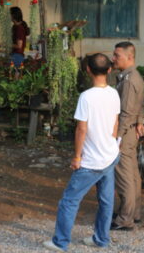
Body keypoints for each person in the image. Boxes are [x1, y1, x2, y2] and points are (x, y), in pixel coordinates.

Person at [43, 53, 120, 251]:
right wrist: (109, 141)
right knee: (106, 199)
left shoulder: (86, 97)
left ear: (87, 70)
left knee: (69, 200)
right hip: (110, 154)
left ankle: (60, 242)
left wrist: (77, 157)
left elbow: (81, 129)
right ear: (109, 70)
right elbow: (115, 122)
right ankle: (101, 239)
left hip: (92, 160)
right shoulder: (114, 93)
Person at [111, 42, 144, 231]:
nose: (113, 58)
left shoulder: (130, 80)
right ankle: (134, 212)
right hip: (131, 131)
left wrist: (117, 137)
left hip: (125, 133)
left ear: (129, 57)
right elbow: (139, 104)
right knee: (132, 175)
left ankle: (125, 219)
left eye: (117, 55)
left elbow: (125, 112)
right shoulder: (133, 76)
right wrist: (139, 120)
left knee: (125, 177)